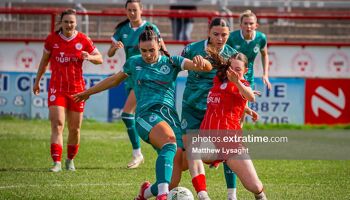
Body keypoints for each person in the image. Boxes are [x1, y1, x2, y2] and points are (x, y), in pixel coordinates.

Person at [72, 26, 212, 200]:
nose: (147, 54)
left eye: (151, 50)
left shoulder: (172, 62)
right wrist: (87, 92)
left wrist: (201, 61)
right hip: (146, 116)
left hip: (170, 119)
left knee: (173, 180)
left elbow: (206, 67)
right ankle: (164, 196)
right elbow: (114, 80)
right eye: (143, 50)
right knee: (169, 143)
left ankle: (145, 193)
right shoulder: (134, 62)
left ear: (160, 45)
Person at [179, 18, 258, 200]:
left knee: (228, 150)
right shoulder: (192, 49)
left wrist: (244, 107)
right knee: (189, 154)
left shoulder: (232, 56)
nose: (220, 38)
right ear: (208, 32)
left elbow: (237, 86)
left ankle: (232, 194)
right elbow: (176, 65)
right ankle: (202, 193)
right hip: (192, 108)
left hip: (219, 111)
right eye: (216, 34)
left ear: (229, 35)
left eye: (224, 35)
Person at [32, 8, 103, 172]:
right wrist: (37, 81)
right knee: (57, 125)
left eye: (71, 22)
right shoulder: (52, 40)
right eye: (66, 22)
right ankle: (56, 162)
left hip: (77, 90)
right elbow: (44, 62)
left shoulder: (84, 40)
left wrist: (89, 57)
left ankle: (70, 160)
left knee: (75, 129)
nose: (69, 25)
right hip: (57, 88)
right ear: (61, 23)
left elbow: (99, 58)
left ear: (76, 23)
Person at [199, 50, 267, 200]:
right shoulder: (218, 80)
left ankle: (261, 196)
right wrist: (246, 109)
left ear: (245, 71)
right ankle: (202, 193)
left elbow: (250, 97)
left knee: (254, 186)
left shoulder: (242, 83)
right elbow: (226, 102)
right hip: (208, 138)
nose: (234, 72)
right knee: (194, 151)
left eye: (238, 69)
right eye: (232, 68)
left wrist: (238, 83)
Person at [107, 0, 166, 169]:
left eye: (135, 10)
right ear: (126, 11)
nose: (132, 13)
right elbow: (110, 53)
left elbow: (162, 48)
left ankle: (138, 153)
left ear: (141, 10)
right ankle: (163, 151)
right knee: (140, 117)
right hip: (131, 76)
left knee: (127, 114)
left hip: (147, 77)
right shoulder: (122, 31)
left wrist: (167, 66)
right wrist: (115, 47)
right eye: (129, 10)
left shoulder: (151, 28)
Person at [226, 10, 271, 90]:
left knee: (248, 99)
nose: (248, 26)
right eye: (245, 23)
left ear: (256, 25)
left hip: (249, 75)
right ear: (241, 25)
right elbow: (224, 56)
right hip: (233, 75)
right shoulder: (232, 37)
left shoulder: (261, 38)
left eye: (251, 23)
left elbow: (264, 55)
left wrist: (265, 75)